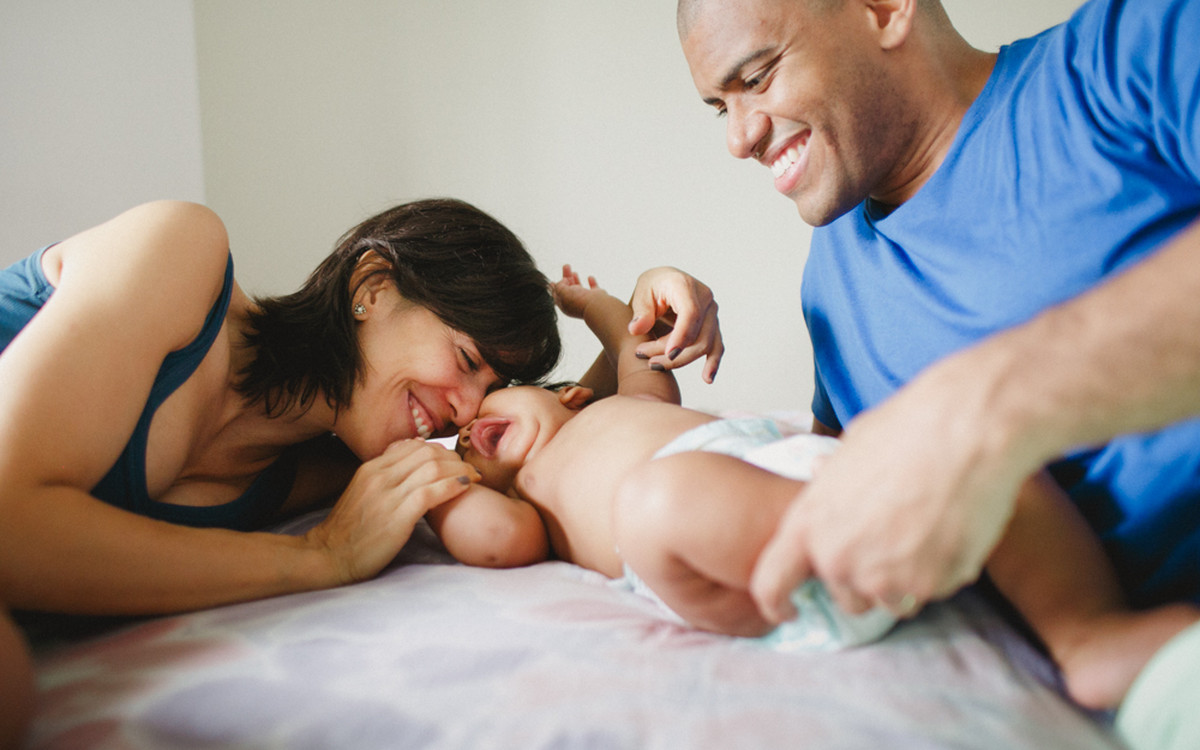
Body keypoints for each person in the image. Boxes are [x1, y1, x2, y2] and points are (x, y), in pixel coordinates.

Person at [430, 268, 1199, 711]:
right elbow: (495, 540)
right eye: (465, 449)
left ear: (569, 395)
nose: (470, 433)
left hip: (833, 484)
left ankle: (1086, 634)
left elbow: (635, 349)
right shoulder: (527, 498)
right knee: (658, 501)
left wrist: (596, 304)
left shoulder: (628, 406)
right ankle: (804, 577)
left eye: (487, 406)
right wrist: (443, 485)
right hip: (736, 561)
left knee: (965, 443)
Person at [0, 197, 564, 625]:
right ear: (373, 286)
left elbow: (542, 451)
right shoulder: (178, 251)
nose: (468, 410)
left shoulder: (330, 470)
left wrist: (634, 348)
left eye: (491, 385)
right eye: (466, 358)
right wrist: (319, 555)